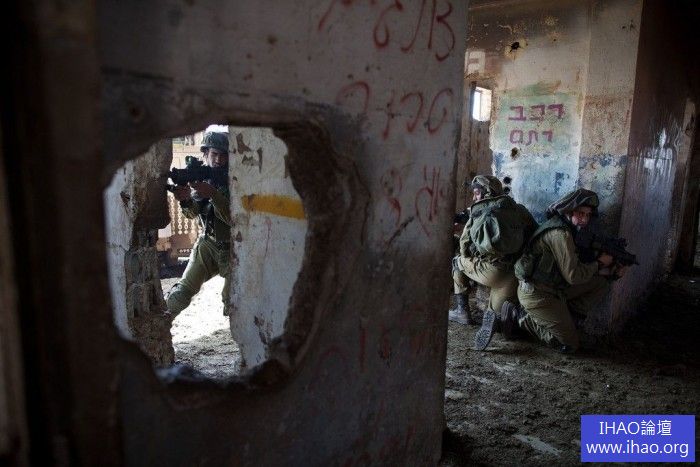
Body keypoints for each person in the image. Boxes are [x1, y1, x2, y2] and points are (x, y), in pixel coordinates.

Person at [499, 188, 627, 353]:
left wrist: (609, 273)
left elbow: (576, 268)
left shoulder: (570, 229)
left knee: (601, 282)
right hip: (537, 294)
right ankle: (517, 316)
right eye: (580, 213)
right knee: (569, 345)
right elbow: (573, 276)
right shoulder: (560, 234)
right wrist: (599, 263)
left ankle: (569, 321)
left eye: (588, 215)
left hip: (555, 288)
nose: (584, 219)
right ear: (569, 210)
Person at [448, 175, 536, 350]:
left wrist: (473, 254)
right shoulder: (518, 209)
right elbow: (533, 231)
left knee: (457, 260)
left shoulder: (478, 212)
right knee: (494, 312)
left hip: (490, 272)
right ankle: (504, 320)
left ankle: (462, 311)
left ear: (486, 193)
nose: (474, 198)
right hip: (513, 274)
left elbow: (464, 245)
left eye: (476, 193)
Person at [166, 131, 232, 317]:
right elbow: (192, 213)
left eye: (224, 155)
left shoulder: (236, 180)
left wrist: (213, 194)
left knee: (233, 301)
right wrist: (185, 199)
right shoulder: (205, 178)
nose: (218, 160)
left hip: (234, 248)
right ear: (205, 154)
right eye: (214, 154)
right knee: (180, 295)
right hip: (208, 245)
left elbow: (234, 220)